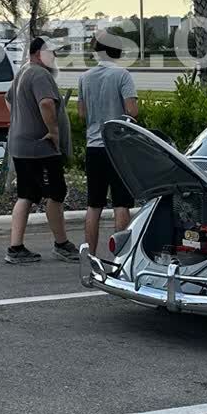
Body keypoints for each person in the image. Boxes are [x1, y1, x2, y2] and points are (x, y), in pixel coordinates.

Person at [5, 35, 78, 264]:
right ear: (39, 54)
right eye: (51, 52)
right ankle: (61, 244)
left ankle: (15, 248)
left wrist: (22, 121)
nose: (54, 56)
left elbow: (7, 99)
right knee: (55, 194)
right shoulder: (40, 74)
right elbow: (46, 103)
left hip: (21, 145)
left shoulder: (23, 72)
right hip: (41, 148)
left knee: (26, 195)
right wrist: (53, 131)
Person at [77, 35, 139, 257]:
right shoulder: (122, 75)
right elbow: (132, 110)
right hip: (118, 147)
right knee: (121, 203)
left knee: (94, 205)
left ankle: (91, 256)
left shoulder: (84, 77)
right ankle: (120, 257)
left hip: (94, 146)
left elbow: (82, 113)